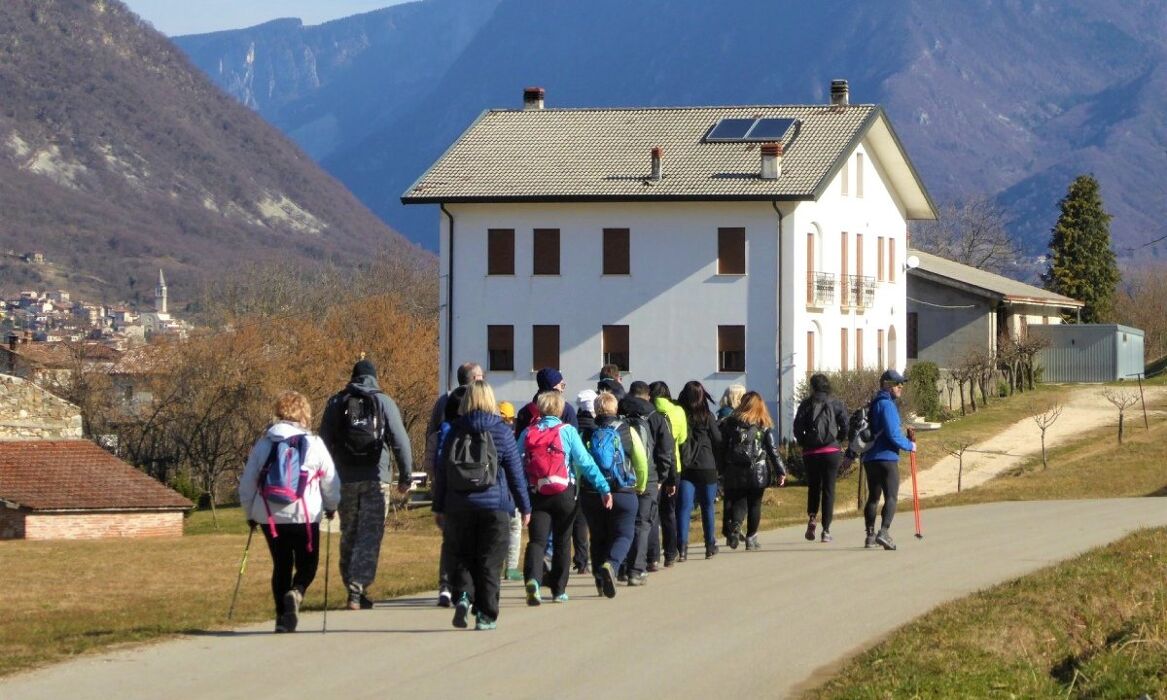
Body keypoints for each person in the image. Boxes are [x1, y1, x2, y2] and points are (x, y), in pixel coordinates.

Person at [432, 381, 531, 630]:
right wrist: (524, 506)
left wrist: (439, 506)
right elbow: (515, 473)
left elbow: (442, 471)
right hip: (494, 506)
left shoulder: (455, 430)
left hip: (459, 505)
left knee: (463, 555)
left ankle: (464, 596)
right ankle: (486, 615)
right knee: (490, 561)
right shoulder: (501, 431)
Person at [239, 391, 340, 633]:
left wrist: (250, 513)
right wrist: (332, 506)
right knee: (308, 564)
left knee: (281, 564)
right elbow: (331, 480)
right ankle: (296, 592)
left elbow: (247, 483)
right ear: (305, 414)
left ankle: (281, 619)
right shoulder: (315, 443)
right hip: (305, 515)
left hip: (270, 516)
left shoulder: (265, 443)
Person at [319, 358, 413, 610]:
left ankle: (352, 587)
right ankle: (357, 588)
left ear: (352, 377)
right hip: (376, 478)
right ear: (374, 378)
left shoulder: (337, 402)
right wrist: (405, 476)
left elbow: (323, 442)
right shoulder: (383, 401)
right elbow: (400, 441)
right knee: (369, 535)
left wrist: (324, 479)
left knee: (349, 532)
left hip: (344, 479)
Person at [518, 391, 612, 604]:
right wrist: (603, 488)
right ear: (560, 410)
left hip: (538, 492)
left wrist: (521, 491)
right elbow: (585, 462)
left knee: (537, 541)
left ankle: (533, 580)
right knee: (562, 541)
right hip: (564, 493)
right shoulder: (567, 431)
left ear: (540, 409)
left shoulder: (528, 432)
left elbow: (516, 462)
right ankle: (559, 590)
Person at [583, 391, 645, 598]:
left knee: (598, 536)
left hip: (593, 492)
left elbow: (580, 463)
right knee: (624, 534)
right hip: (622, 491)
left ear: (596, 410)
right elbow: (641, 460)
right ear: (616, 409)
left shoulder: (588, 432)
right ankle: (612, 564)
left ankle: (599, 582)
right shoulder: (627, 430)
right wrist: (640, 485)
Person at [851, 369, 916, 551]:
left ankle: (870, 536)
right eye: (897, 384)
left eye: (901, 384)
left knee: (873, 497)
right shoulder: (887, 405)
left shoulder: (873, 404)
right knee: (891, 497)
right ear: (887, 386)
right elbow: (893, 434)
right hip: (887, 457)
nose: (901, 387)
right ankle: (884, 532)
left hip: (870, 457)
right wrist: (910, 445)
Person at [619, 380, 675, 581]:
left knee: (623, 521)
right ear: (648, 396)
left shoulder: (619, 412)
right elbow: (666, 449)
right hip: (649, 475)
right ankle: (637, 569)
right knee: (643, 522)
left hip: (622, 474)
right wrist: (662, 476)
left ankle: (621, 566)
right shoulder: (656, 416)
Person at [720, 391, 786, 550]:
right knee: (755, 504)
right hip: (758, 471)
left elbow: (723, 447)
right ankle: (751, 538)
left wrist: (721, 468)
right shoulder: (763, 425)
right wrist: (780, 471)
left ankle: (736, 525)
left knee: (740, 500)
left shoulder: (731, 423)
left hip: (736, 470)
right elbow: (773, 451)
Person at [793, 373, 850, 543]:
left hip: (811, 452)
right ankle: (826, 530)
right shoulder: (836, 403)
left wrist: (805, 442)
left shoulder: (806, 404)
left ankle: (812, 517)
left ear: (812, 387)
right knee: (829, 489)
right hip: (831, 451)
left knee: (813, 486)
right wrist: (838, 440)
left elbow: (797, 427)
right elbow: (845, 425)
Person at [675, 380, 722, 560]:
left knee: (684, 507)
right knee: (707, 507)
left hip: (686, 465)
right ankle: (710, 545)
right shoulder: (708, 416)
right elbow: (717, 439)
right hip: (707, 465)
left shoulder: (681, 414)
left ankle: (682, 548)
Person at [650, 380, 686, 566]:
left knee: (652, 513)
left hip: (652, 468)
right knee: (669, 511)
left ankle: (653, 555)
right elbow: (683, 438)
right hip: (674, 465)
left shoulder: (649, 412)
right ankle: (671, 553)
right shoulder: (678, 411)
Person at [572, 389, 599, 574]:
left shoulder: (571, 426)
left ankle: (581, 560)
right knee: (592, 521)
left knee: (577, 521)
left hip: (573, 478)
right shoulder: (596, 429)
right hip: (591, 478)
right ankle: (592, 558)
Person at [498, 400, 523, 582]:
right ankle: (511, 568)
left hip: (494, 492)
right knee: (514, 528)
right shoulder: (512, 437)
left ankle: (496, 566)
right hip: (511, 493)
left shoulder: (489, 433)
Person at [514, 367, 578, 436]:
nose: (563, 389)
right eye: (562, 385)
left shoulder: (525, 411)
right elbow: (573, 437)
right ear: (554, 387)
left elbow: (518, 439)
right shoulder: (566, 409)